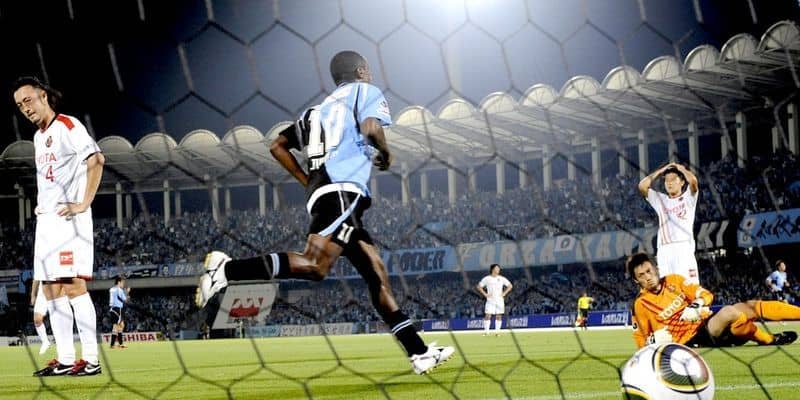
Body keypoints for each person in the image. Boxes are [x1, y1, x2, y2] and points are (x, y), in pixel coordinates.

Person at [196, 50, 454, 375]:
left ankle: (419, 352)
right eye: (368, 70)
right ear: (361, 70)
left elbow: (276, 146)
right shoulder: (364, 91)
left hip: (330, 193)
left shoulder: (315, 112)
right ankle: (225, 271)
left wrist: (307, 180)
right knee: (314, 264)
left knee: (375, 274)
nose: (370, 75)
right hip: (342, 191)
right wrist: (385, 153)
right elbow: (371, 126)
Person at [13, 76, 104, 376]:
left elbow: (97, 160)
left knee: (73, 285)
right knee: (51, 289)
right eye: (19, 105)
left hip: (69, 220)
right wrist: (43, 204)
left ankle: (91, 359)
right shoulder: (39, 137)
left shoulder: (67, 125)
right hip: (48, 221)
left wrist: (84, 203)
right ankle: (65, 360)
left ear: (43, 96)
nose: (25, 108)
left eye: (28, 100)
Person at [626, 252, 799, 349]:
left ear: (656, 269)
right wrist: (652, 342)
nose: (647, 277)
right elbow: (641, 340)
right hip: (691, 339)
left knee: (748, 306)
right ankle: (768, 340)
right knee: (730, 312)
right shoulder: (640, 305)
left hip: (706, 323)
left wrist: (697, 304)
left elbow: (706, 294)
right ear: (635, 280)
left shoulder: (674, 280)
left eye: (649, 271)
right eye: (641, 275)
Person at [638, 162, 701, 284]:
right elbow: (642, 186)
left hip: (683, 248)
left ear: (682, 182)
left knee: (690, 287)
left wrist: (682, 169)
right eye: (666, 180)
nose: (669, 183)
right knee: (668, 288)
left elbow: (693, 182)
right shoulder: (661, 200)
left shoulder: (688, 198)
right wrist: (661, 170)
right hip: (664, 251)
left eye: (673, 179)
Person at [476, 264, 512, 336]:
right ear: (492, 269)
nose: (498, 270)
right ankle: (486, 332)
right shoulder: (487, 278)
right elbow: (479, 286)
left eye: (498, 268)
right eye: (496, 268)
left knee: (499, 316)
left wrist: (504, 293)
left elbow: (510, 286)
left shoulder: (501, 278)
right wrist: (485, 294)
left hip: (499, 300)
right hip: (490, 300)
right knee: (488, 315)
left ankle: (497, 332)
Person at [30, 280, 51, 355]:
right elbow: (36, 278)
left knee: (60, 320)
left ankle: (66, 347)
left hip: (58, 288)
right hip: (43, 291)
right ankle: (45, 342)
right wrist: (33, 295)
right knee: (37, 320)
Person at [108, 276, 130, 349]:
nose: (123, 284)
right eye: (122, 283)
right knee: (116, 326)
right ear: (119, 282)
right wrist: (127, 292)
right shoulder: (119, 290)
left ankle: (120, 343)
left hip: (112, 308)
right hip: (118, 309)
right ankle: (112, 344)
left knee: (121, 325)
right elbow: (125, 299)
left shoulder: (111, 289)